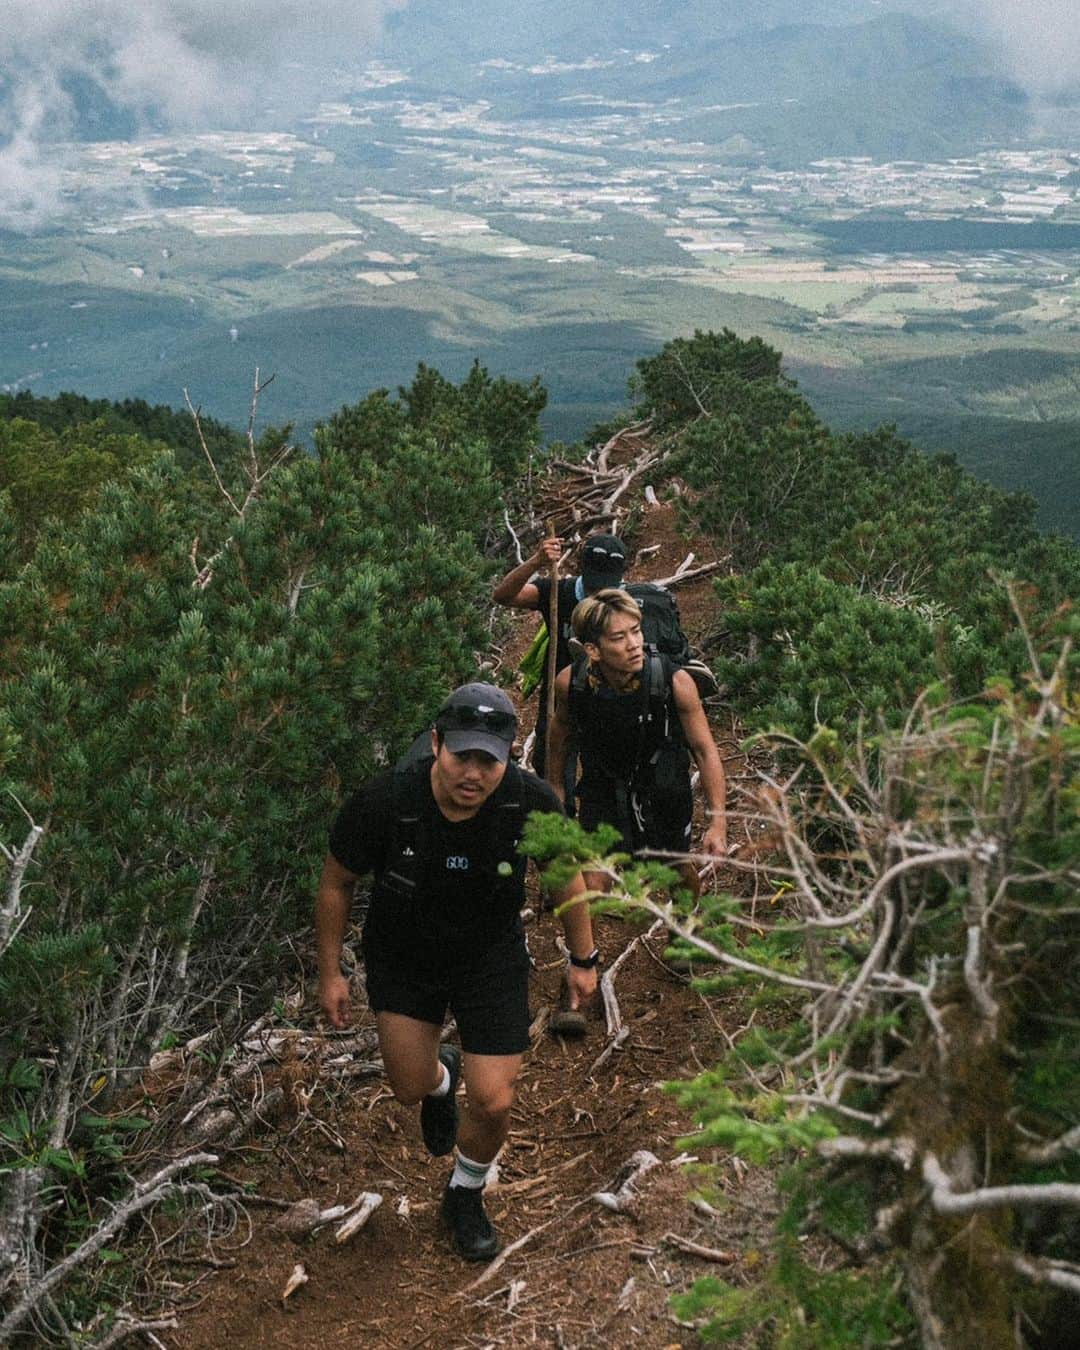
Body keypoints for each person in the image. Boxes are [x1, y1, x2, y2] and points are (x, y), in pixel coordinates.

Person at [315, 683, 598, 1262]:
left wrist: (583, 959)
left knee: (494, 1101)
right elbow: (336, 880)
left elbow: (566, 878)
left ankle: (464, 1194)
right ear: (438, 743)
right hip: (405, 955)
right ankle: (440, 1079)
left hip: (489, 957)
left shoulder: (528, 802)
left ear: (507, 757)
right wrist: (330, 972)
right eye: (462, 755)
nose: (474, 773)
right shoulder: (386, 800)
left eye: (488, 761)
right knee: (407, 1088)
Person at [547, 590, 727, 899]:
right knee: (592, 882)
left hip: (662, 788)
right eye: (619, 638)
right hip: (601, 787)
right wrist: (556, 792)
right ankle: (586, 948)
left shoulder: (675, 682)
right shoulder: (572, 684)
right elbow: (558, 738)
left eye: (636, 631)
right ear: (593, 649)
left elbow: (704, 749)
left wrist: (718, 822)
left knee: (677, 872)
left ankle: (685, 937)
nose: (634, 645)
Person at [493, 532, 630, 783]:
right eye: (593, 585)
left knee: (604, 778)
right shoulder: (559, 591)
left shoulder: (626, 605)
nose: (596, 594)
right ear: (581, 568)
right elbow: (503, 595)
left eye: (605, 586)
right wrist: (536, 561)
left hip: (605, 703)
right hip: (558, 703)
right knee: (552, 773)